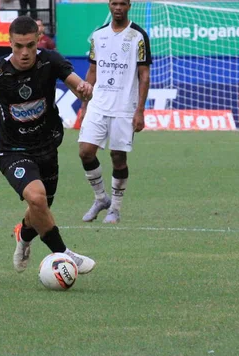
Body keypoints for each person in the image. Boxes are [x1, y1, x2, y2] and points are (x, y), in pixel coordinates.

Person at [0, 16, 96, 274]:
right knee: (37, 197)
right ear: (9, 43)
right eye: (18, 46)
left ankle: (23, 235)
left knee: (40, 208)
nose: (24, 53)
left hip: (47, 147)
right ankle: (64, 254)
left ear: (37, 42)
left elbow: (74, 81)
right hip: (12, 150)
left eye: (30, 46)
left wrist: (83, 89)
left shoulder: (50, 61)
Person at [77, 0, 151, 224]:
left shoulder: (138, 35)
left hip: (124, 106)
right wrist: (84, 104)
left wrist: (140, 111)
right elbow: (92, 70)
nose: (118, 8)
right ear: (109, 5)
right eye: (114, 3)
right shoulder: (98, 35)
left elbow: (144, 75)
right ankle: (101, 198)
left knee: (118, 158)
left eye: (122, 4)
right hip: (98, 103)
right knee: (85, 152)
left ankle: (115, 209)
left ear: (129, 6)